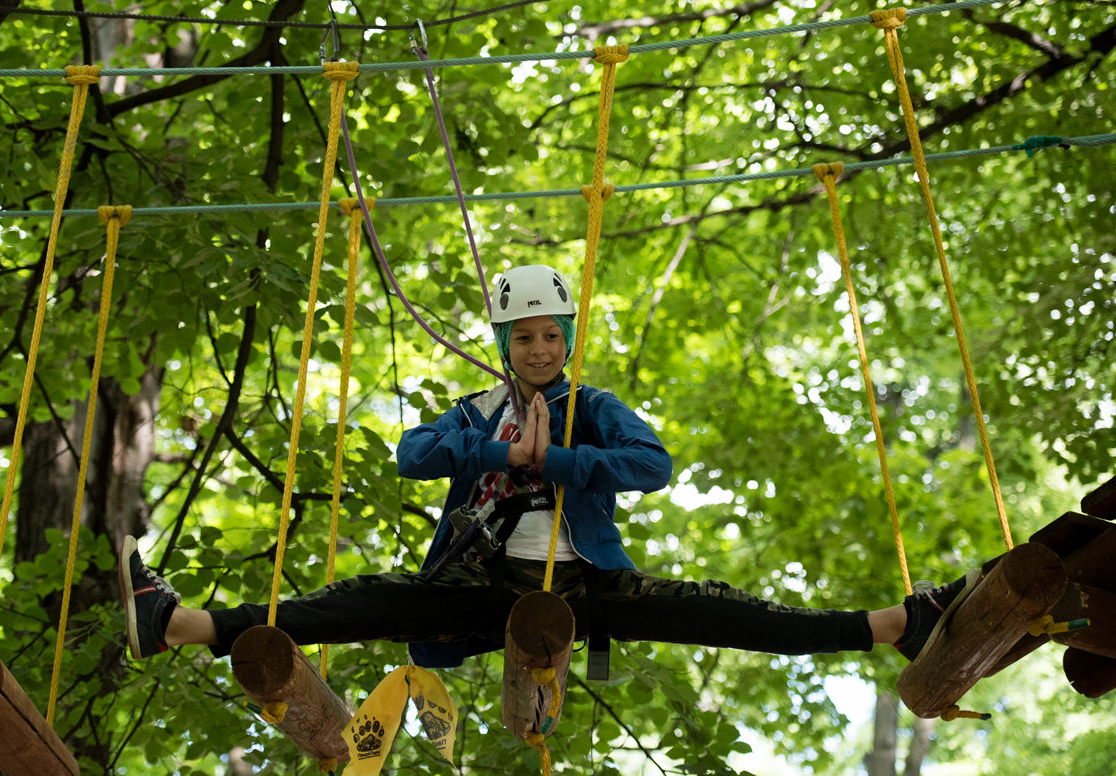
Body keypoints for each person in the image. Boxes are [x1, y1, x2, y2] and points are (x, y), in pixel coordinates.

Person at [119, 264, 973, 670]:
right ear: (503, 345)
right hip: (480, 583)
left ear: (566, 341)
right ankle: (178, 624)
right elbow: (413, 456)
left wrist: (557, 458)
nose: (537, 348)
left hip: (580, 583)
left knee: (722, 612)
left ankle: (892, 625)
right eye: (523, 338)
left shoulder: (588, 405)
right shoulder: (476, 410)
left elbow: (653, 464)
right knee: (361, 602)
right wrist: (497, 451)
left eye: (550, 336)